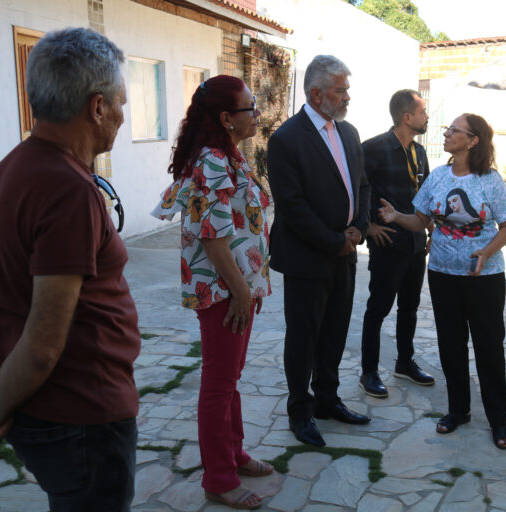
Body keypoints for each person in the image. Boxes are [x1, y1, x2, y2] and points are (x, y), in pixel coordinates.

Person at [0, 28, 141, 510]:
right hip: (81, 418)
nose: (124, 117)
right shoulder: (68, 190)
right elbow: (41, 347)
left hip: (52, 415)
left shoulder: (8, 170)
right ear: (97, 107)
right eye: (121, 102)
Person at [151, 75, 273, 510]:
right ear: (226, 118)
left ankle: (233, 454)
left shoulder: (227, 156)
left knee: (229, 380)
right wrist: (241, 293)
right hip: (224, 292)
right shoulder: (211, 164)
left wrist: (250, 286)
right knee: (219, 385)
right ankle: (219, 478)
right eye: (250, 107)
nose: (257, 113)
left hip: (238, 288)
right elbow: (212, 237)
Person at [379, 113, 506, 450]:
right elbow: (422, 219)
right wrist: (397, 217)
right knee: (451, 344)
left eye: (455, 130)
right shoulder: (438, 177)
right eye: (448, 128)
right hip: (441, 274)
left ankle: (499, 419)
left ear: (472, 141)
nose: (447, 133)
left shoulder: (489, 180)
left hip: (484, 278)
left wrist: (484, 252)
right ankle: (459, 410)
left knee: (488, 347)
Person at [267, 55, 371, 447]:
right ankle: (300, 410)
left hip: (345, 254)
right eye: (340, 89)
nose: (347, 96)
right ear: (316, 93)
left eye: (346, 88)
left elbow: (363, 186)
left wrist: (358, 229)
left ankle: (327, 400)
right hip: (308, 258)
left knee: (335, 331)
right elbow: (291, 206)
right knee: (303, 337)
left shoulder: (349, 133)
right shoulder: (286, 139)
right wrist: (335, 241)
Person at [359, 89, 435, 398]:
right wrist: (367, 226)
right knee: (378, 308)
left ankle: (405, 363)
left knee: (410, 308)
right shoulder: (373, 148)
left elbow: (427, 196)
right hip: (387, 242)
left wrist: (429, 232)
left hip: (415, 243)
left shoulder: (420, 152)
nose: (427, 116)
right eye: (423, 111)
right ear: (407, 117)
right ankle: (369, 372)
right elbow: (357, 188)